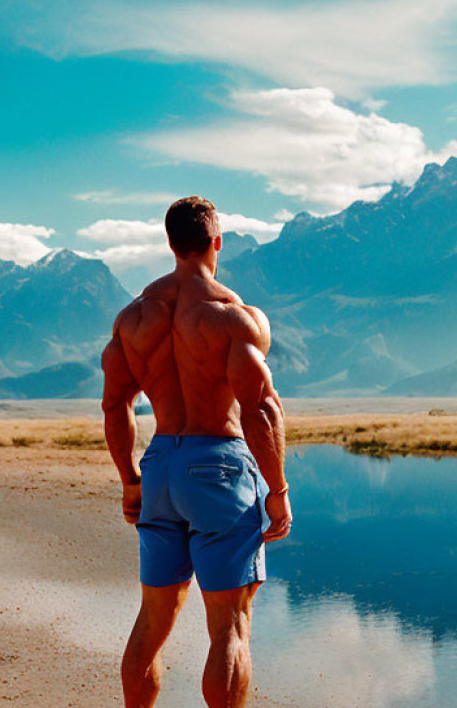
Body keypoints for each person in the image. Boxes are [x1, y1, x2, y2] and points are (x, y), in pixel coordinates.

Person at [101, 196, 292, 708]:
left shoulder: (133, 318)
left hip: (160, 464)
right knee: (229, 624)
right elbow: (260, 410)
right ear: (216, 243)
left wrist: (129, 479)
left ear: (170, 245)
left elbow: (114, 404)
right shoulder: (235, 317)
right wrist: (278, 490)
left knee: (153, 619)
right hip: (220, 467)